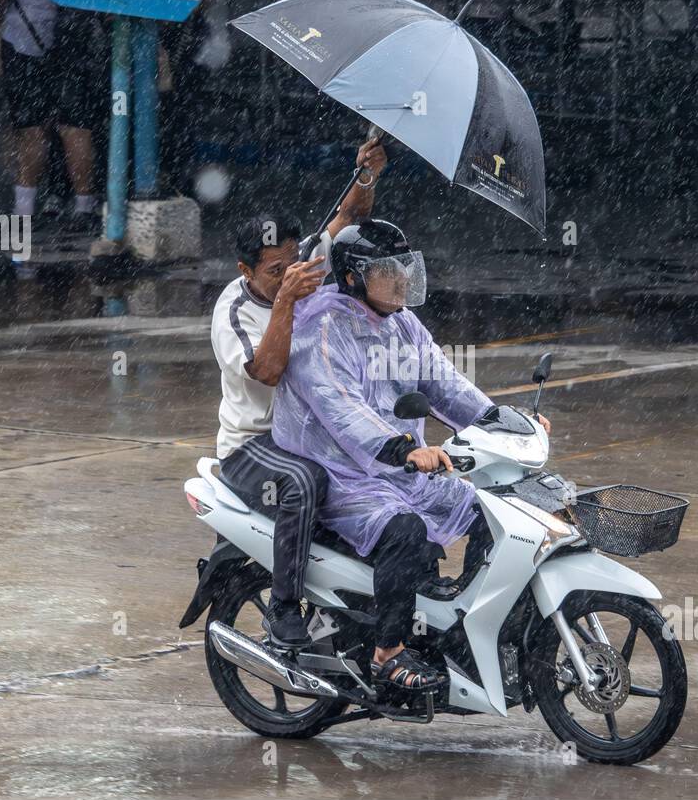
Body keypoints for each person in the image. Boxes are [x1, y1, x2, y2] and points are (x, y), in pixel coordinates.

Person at [273, 219, 549, 692]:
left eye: (405, 265)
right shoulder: (322, 325)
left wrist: (504, 423)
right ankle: (388, 653)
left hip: (400, 467)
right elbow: (341, 407)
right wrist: (404, 448)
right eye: (389, 268)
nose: (402, 277)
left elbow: (446, 384)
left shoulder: (401, 322)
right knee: (405, 531)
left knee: (491, 513)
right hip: (342, 473)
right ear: (356, 276)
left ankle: (462, 628)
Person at [211, 136, 389, 646]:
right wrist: (287, 298)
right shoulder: (233, 312)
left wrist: (367, 171)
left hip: (309, 429)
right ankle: (283, 610)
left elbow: (347, 216)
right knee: (304, 483)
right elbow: (266, 370)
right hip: (255, 444)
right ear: (245, 271)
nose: (289, 275)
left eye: (292, 264)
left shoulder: (301, 264)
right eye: (274, 271)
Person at [0, 0, 102, 231]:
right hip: (76, 40)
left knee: (31, 129)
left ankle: (24, 210)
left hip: (24, 42)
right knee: (76, 127)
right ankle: (84, 208)